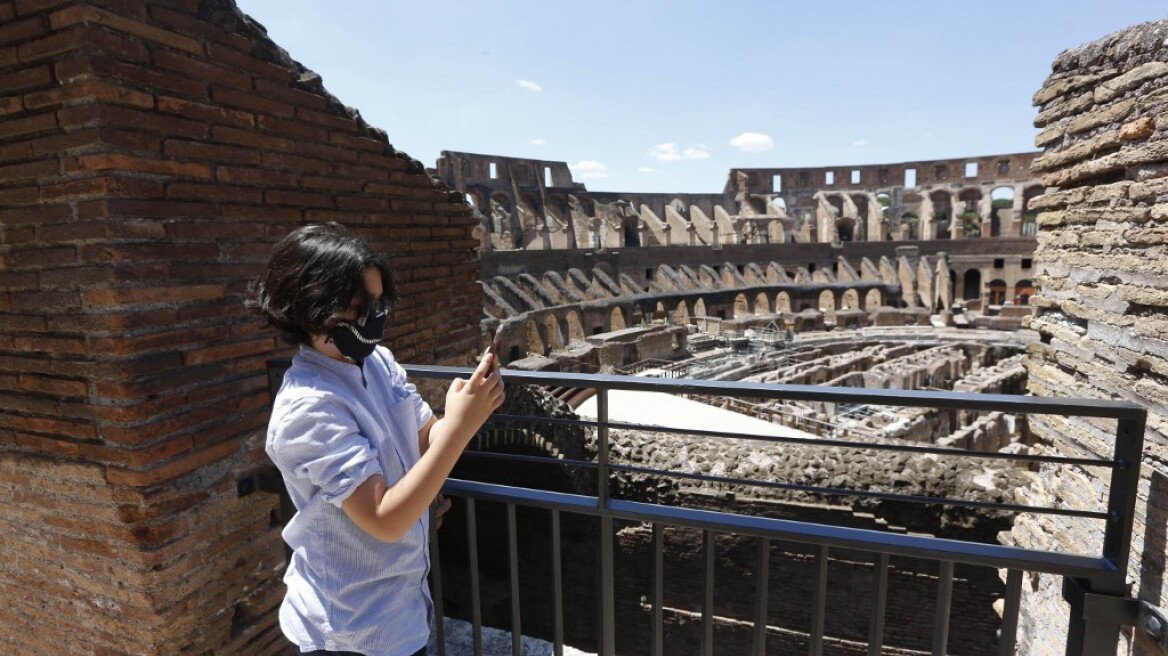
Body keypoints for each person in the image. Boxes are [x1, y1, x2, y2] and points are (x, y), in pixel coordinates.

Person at [251, 223, 504, 656]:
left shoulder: (377, 362)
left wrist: (467, 408)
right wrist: (461, 428)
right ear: (312, 309)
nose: (374, 317)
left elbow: (426, 438)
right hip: (351, 630)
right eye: (356, 307)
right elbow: (384, 519)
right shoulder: (311, 407)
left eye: (378, 301)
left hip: (398, 611)